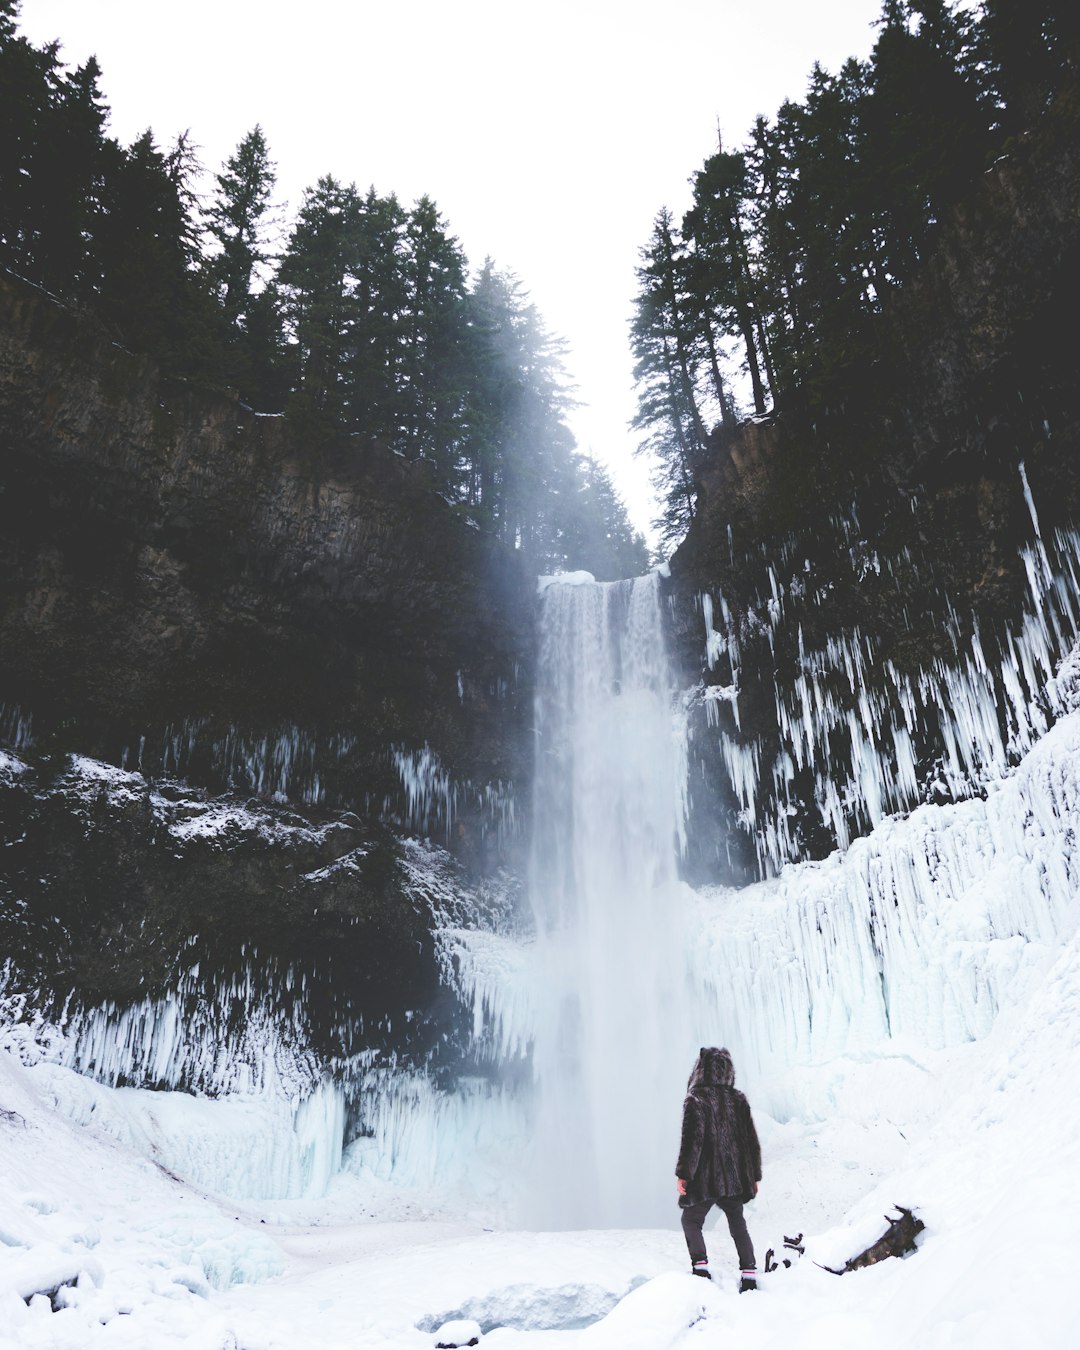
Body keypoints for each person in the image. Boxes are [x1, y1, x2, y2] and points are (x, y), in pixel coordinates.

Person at [675, 1046, 762, 1291]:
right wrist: (753, 1176)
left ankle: (700, 1269)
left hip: (706, 1177)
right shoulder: (738, 1099)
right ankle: (749, 1275)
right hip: (734, 1178)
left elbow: (693, 1140)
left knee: (691, 1220)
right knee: (737, 1222)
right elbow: (750, 1142)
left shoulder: (696, 1099)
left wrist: (684, 1173)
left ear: (701, 1070)